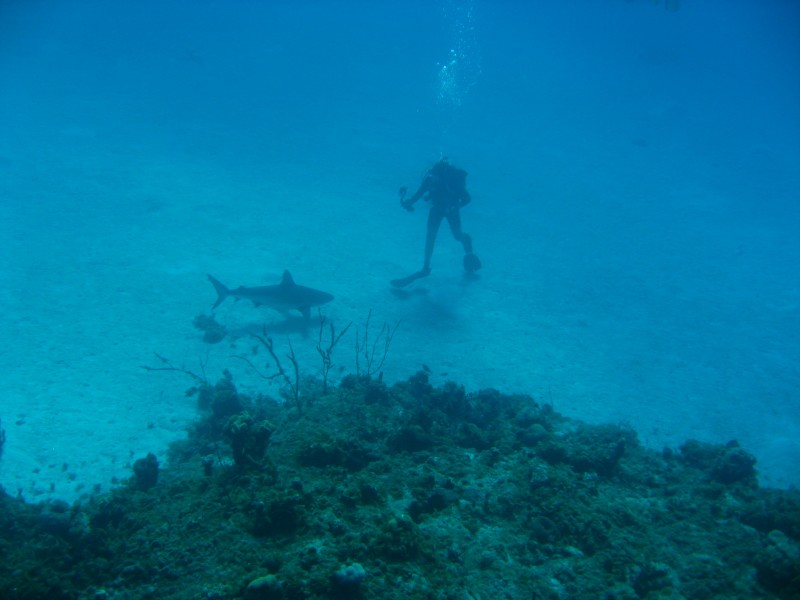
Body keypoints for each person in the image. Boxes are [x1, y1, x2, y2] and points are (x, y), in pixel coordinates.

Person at [391, 158, 481, 288]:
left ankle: (467, 243)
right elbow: (418, 194)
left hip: (451, 210)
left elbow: (467, 199)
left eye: (435, 178)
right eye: (431, 177)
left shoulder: (453, 182)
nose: (432, 179)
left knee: (457, 236)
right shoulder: (430, 180)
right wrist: (408, 202)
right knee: (430, 237)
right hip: (437, 209)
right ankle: (425, 268)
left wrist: (455, 207)